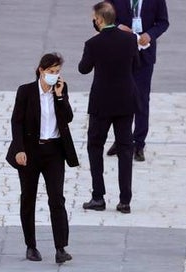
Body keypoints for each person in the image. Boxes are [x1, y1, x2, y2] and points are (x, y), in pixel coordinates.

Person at [7, 52, 79, 264]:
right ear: (41, 70)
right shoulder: (26, 91)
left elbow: (68, 117)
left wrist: (60, 96)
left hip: (54, 151)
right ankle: (31, 245)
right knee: (28, 197)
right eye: (50, 71)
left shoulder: (61, 89)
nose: (54, 75)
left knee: (57, 198)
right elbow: (16, 122)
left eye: (57, 71)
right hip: (30, 151)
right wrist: (19, 149)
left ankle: (60, 247)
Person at [78, 1, 139, 214]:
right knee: (125, 150)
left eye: (94, 19)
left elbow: (83, 69)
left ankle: (98, 196)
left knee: (95, 147)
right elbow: (137, 65)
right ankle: (125, 200)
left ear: (100, 20)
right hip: (125, 101)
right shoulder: (130, 40)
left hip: (101, 103)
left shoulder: (93, 43)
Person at [112, 0, 169, 162]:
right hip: (121, 53)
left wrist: (150, 34)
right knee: (120, 99)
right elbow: (104, 17)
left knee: (141, 99)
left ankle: (139, 143)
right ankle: (121, 139)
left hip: (144, 55)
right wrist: (118, 27)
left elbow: (163, 22)